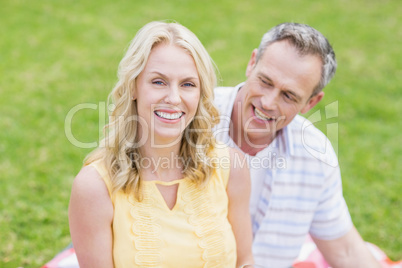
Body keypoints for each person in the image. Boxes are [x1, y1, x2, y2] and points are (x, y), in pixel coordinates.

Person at [68, 21, 254, 268]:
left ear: (200, 94)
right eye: (158, 82)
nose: (174, 99)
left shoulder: (230, 166)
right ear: (134, 86)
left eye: (188, 84)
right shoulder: (95, 187)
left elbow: (245, 262)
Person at [213, 22, 381, 268]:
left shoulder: (315, 155)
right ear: (252, 63)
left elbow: (345, 250)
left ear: (311, 102)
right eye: (265, 81)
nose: (268, 102)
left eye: (288, 95)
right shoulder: (191, 117)